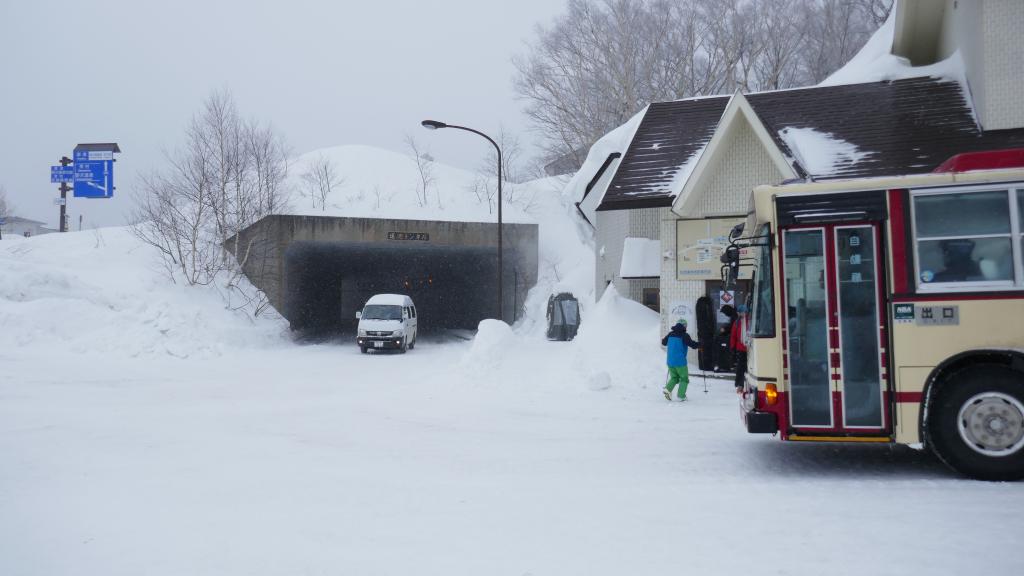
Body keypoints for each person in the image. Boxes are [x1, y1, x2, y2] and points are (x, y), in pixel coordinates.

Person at [661, 318, 700, 401]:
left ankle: (667, 389)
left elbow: (663, 342)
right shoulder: (684, 335)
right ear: (684, 326)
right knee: (684, 379)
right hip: (680, 362)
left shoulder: (671, 334)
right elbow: (692, 345)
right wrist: (700, 344)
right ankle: (681, 396)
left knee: (674, 377)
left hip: (670, 361)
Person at [730, 304, 749, 392]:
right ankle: (740, 385)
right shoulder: (737, 322)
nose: (740, 315)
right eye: (739, 313)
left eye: (741, 313)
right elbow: (733, 336)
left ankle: (749, 385)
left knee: (749, 368)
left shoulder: (750, 321)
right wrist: (732, 347)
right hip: (740, 348)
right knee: (741, 367)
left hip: (750, 348)